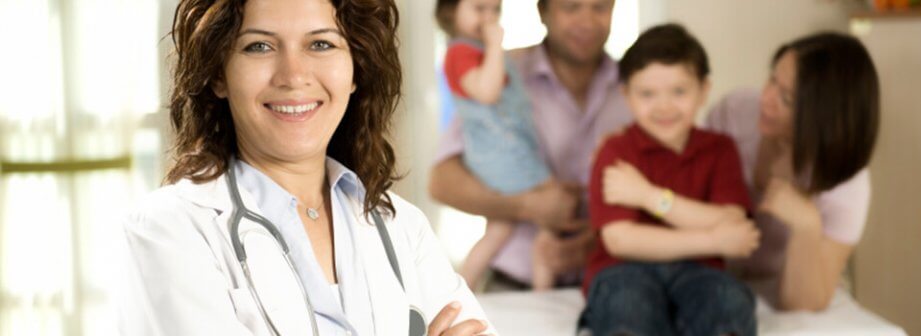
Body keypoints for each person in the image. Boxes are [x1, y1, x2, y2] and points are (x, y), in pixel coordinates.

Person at [118, 0, 495, 335]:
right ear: (219, 75)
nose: (294, 75)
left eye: (321, 44)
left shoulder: (402, 227)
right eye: (259, 46)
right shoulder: (169, 228)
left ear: (355, 70)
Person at [430, 0, 631, 291]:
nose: (587, 21)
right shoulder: (502, 72)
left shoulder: (639, 87)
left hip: (614, 279)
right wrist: (528, 206)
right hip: (511, 285)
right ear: (543, 11)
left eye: (600, 7)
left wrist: (601, 235)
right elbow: (441, 182)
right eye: (572, 7)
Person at [579, 24, 758, 336]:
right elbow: (622, 241)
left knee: (727, 303)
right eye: (647, 94)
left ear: (704, 90)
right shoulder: (616, 151)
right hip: (623, 270)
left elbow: (732, 219)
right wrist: (713, 239)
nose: (664, 106)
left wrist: (648, 196)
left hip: (700, 273)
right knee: (626, 307)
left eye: (679, 91)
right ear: (626, 96)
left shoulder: (720, 148)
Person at [704, 32, 880, 311]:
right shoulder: (734, 111)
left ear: (826, 119)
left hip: (778, 286)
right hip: (710, 276)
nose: (766, 98)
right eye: (772, 78)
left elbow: (803, 303)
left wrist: (807, 224)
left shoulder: (847, 183)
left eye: (786, 98)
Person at [434, 0, 558, 291]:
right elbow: (487, 92)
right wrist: (495, 46)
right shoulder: (460, 52)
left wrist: (499, 51)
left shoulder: (475, 52)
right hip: (503, 154)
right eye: (479, 9)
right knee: (553, 210)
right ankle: (544, 293)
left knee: (499, 229)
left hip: (505, 151)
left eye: (495, 10)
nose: (489, 18)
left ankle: (459, 293)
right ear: (452, 12)